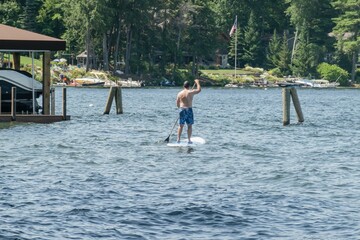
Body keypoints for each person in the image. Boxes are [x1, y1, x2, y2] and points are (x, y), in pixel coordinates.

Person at [176, 79, 201, 143]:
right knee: (189, 125)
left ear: (183, 86)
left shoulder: (179, 93)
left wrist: (180, 109)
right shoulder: (190, 92)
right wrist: (197, 82)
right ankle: (189, 140)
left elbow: (177, 103)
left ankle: (178, 139)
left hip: (182, 109)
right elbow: (199, 90)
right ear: (188, 86)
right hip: (189, 110)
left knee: (181, 125)